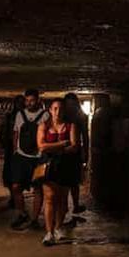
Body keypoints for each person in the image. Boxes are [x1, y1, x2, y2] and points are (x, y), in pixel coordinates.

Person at [37, 98, 79, 245]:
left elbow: (74, 147)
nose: (57, 112)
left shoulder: (71, 126)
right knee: (49, 198)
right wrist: (62, 144)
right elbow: (41, 146)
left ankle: (58, 228)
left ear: (64, 110)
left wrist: (51, 147)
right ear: (50, 110)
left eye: (60, 109)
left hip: (65, 166)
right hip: (49, 166)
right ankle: (49, 233)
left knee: (62, 199)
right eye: (55, 108)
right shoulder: (43, 126)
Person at [9, 89, 49, 230]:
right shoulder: (20, 115)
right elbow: (16, 132)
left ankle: (34, 219)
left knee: (37, 188)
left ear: (38, 100)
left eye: (32, 100)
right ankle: (21, 213)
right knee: (15, 186)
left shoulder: (45, 116)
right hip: (21, 156)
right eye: (27, 100)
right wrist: (15, 150)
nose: (29, 103)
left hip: (38, 158)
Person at [63, 93, 89, 215]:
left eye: (71, 104)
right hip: (63, 151)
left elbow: (85, 136)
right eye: (68, 104)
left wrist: (85, 154)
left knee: (74, 181)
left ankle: (75, 205)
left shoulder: (80, 117)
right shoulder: (63, 115)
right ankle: (66, 206)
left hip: (74, 152)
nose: (70, 106)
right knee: (64, 181)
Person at [0, 95, 25, 208]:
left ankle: (17, 196)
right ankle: (13, 196)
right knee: (10, 174)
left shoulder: (27, 117)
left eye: (21, 103)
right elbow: (3, 130)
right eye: (18, 103)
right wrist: (4, 142)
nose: (20, 105)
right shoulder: (9, 117)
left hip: (24, 149)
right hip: (11, 149)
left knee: (21, 175)